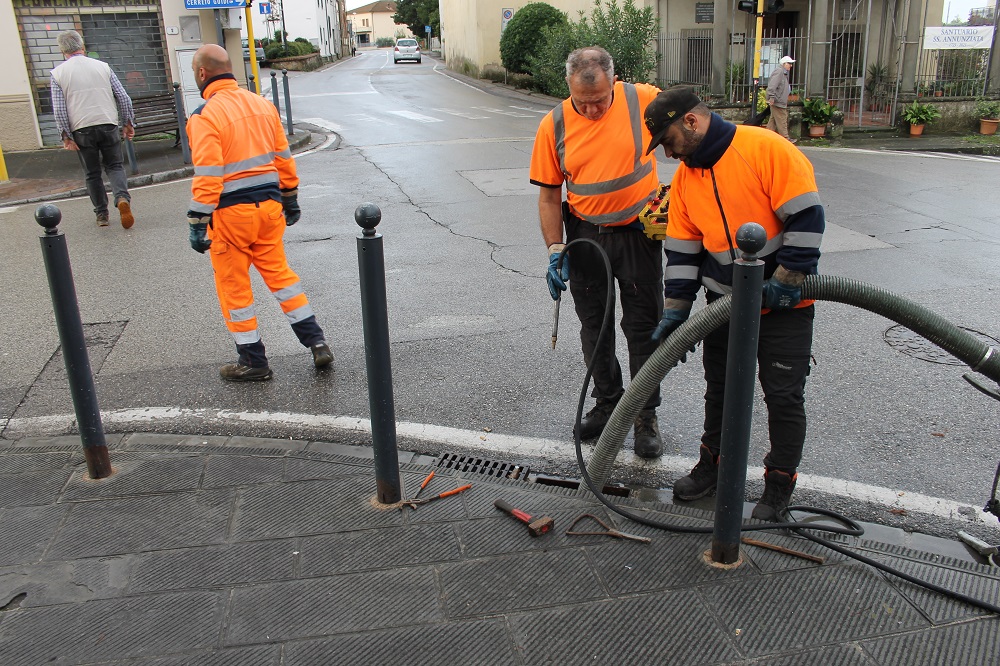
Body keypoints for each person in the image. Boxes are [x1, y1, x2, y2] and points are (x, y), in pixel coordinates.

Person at [643, 86, 824, 520]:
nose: (668, 154)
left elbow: (806, 215)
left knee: (783, 397)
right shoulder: (687, 179)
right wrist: (676, 312)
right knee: (720, 391)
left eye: (667, 141)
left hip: (785, 306)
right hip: (724, 306)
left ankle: (779, 485)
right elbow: (684, 252)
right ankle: (714, 466)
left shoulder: (764, 148)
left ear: (691, 121)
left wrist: (787, 279)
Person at [529, 46, 665, 458]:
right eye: (581, 103)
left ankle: (644, 415)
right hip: (586, 236)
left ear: (614, 81)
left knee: (643, 327)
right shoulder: (552, 125)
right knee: (595, 327)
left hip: (639, 234)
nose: (590, 111)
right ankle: (608, 404)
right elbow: (551, 198)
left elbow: (689, 135)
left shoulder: (642, 99)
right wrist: (556, 249)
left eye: (599, 102)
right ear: (568, 87)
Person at [185, 44, 333, 382]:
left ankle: (253, 361)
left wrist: (197, 221)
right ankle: (317, 342)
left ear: (202, 73)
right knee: (281, 277)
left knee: (234, 289)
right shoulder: (262, 105)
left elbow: (208, 175)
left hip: (231, 217)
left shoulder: (205, 115)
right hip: (269, 210)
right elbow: (283, 157)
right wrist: (290, 197)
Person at [50, 30, 136, 229]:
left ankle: (101, 215)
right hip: (107, 123)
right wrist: (128, 122)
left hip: (81, 128)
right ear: (82, 46)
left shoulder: (58, 74)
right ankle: (122, 198)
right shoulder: (103, 67)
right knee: (114, 166)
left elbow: (59, 109)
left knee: (92, 173)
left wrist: (66, 135)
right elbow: (123, 97)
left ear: (63, 50)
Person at [765, 55, 795, 141]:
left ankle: (767, 137)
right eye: (789, 63)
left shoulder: (782, 72)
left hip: (778, 100)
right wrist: (772, 97)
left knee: (773, 120)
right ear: (784, 64)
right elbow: (772, 85)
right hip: (778, 101)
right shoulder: (779, 72)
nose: (791, 65)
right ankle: (785, 138)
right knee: (782, 118)